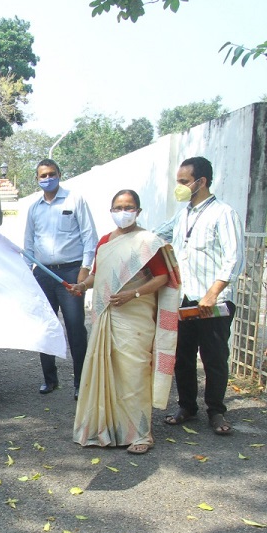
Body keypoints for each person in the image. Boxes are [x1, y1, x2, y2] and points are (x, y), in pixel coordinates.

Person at [70, 190, 181, 454]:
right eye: (118, 207)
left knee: (135, 373)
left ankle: (142, 434)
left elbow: (163, 278)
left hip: (136, 317)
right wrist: (82, 285)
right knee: (109, 371)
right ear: (111, 210)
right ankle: (108, 428)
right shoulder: (105, 242)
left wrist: (134, 293)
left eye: (128, 207)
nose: (123, 212)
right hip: (107, 315)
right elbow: (97, 274)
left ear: (138, 211)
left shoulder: (147, 242)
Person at [155, 156, 245, 436]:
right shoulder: (183, 214)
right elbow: (158, 235)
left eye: (184, 182)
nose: (179, 187)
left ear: (201, 181)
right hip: (184, 299)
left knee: (214, 357)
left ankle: (216, 411)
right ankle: (187, 407)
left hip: (212, 301)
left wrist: (213, 293)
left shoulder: (223, 213)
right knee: (182, 356)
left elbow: (234, 258)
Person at [24, 159, 98, 398]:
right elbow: (28, 244)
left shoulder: (75, 200)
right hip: (43, 273)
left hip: (71, 273)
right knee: (45, 327)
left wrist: (85, 270)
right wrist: (27, 274)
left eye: (51, 174)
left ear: (59, 174)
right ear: (37, 179)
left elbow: (90, 237)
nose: (47, 179)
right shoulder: (34, 209)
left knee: (75, 328)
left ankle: (81, 383)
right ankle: (50, 379)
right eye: (42, 176)